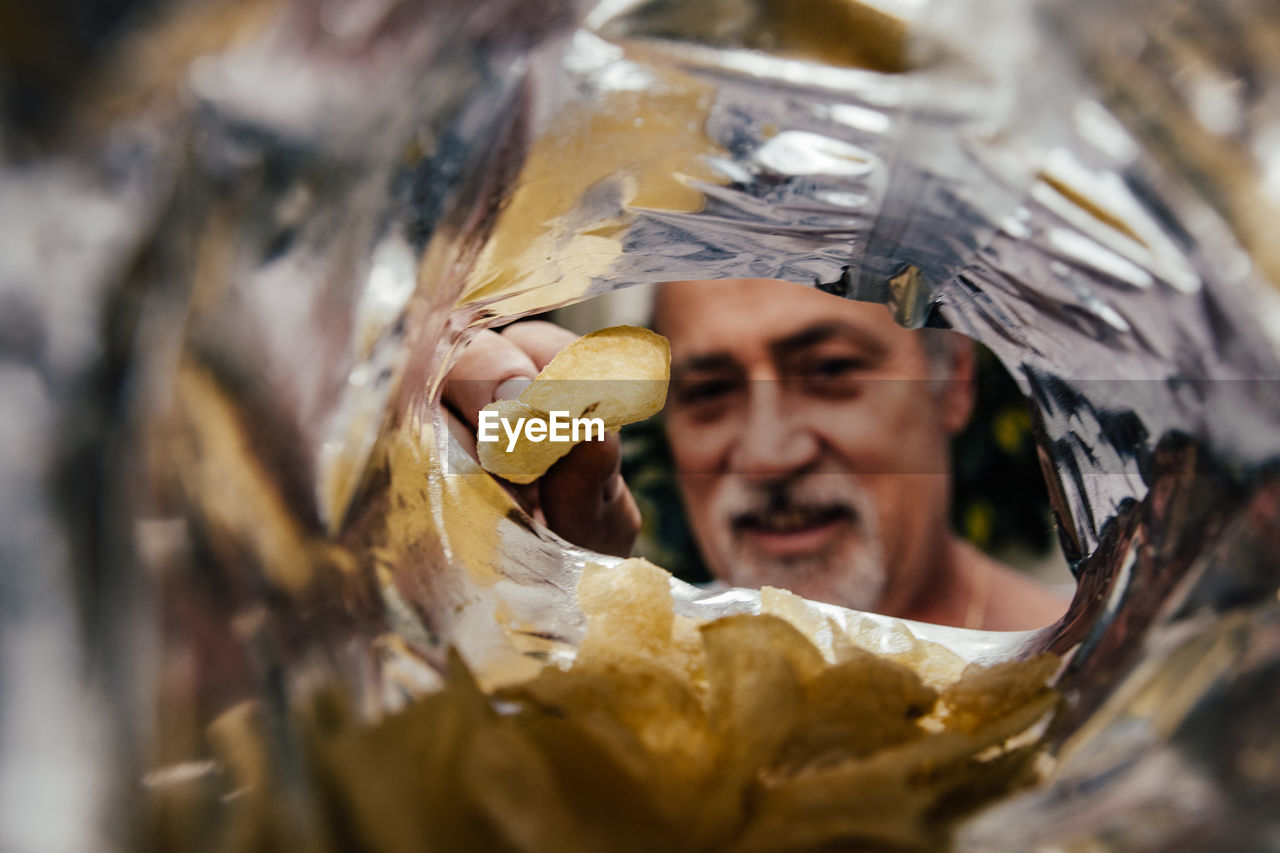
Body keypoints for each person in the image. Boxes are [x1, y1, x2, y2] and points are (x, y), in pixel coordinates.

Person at [444, 278, 1067, 631]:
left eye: (830, 369)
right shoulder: (626, 665)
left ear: (952, 384)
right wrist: (528, 599)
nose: (769, 455)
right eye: (710, 390)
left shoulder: (1101, 687)